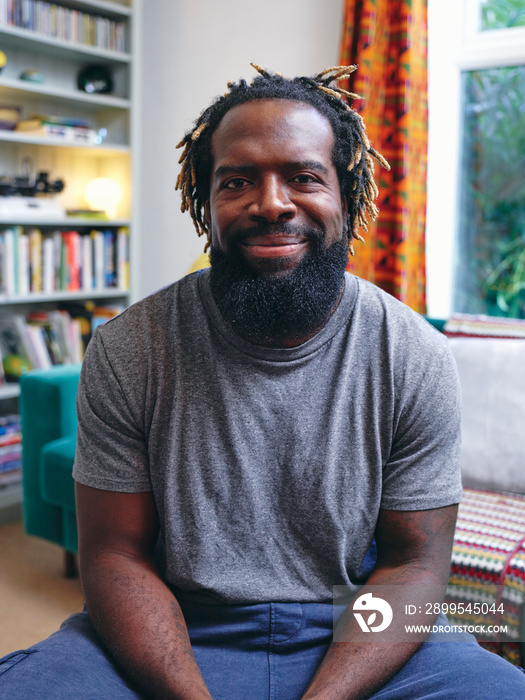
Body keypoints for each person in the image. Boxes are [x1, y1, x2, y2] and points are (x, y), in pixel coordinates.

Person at [1, 64, 525, 700]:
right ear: (206, 204)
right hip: (175, 625)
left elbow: (414, 565)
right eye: (238, 181)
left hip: (354, 621)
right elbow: (115, 557)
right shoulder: (127, 348)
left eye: (303, 177)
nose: (271, 202)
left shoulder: (414, 354)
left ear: (347, 197)